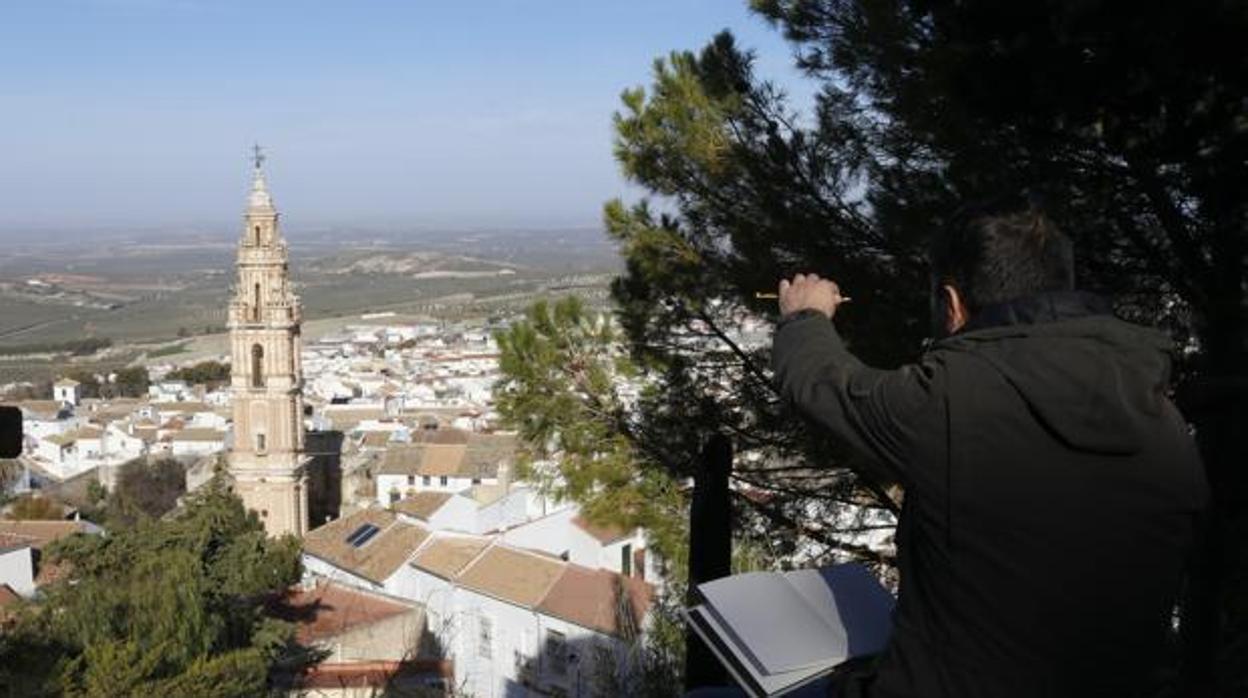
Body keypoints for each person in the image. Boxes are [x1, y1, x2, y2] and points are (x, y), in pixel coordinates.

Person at [771, 197, 1209, 698]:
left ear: (953, 304)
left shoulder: (951, 401)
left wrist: (805, 316)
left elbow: (821, 383)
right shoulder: (1161, 414)